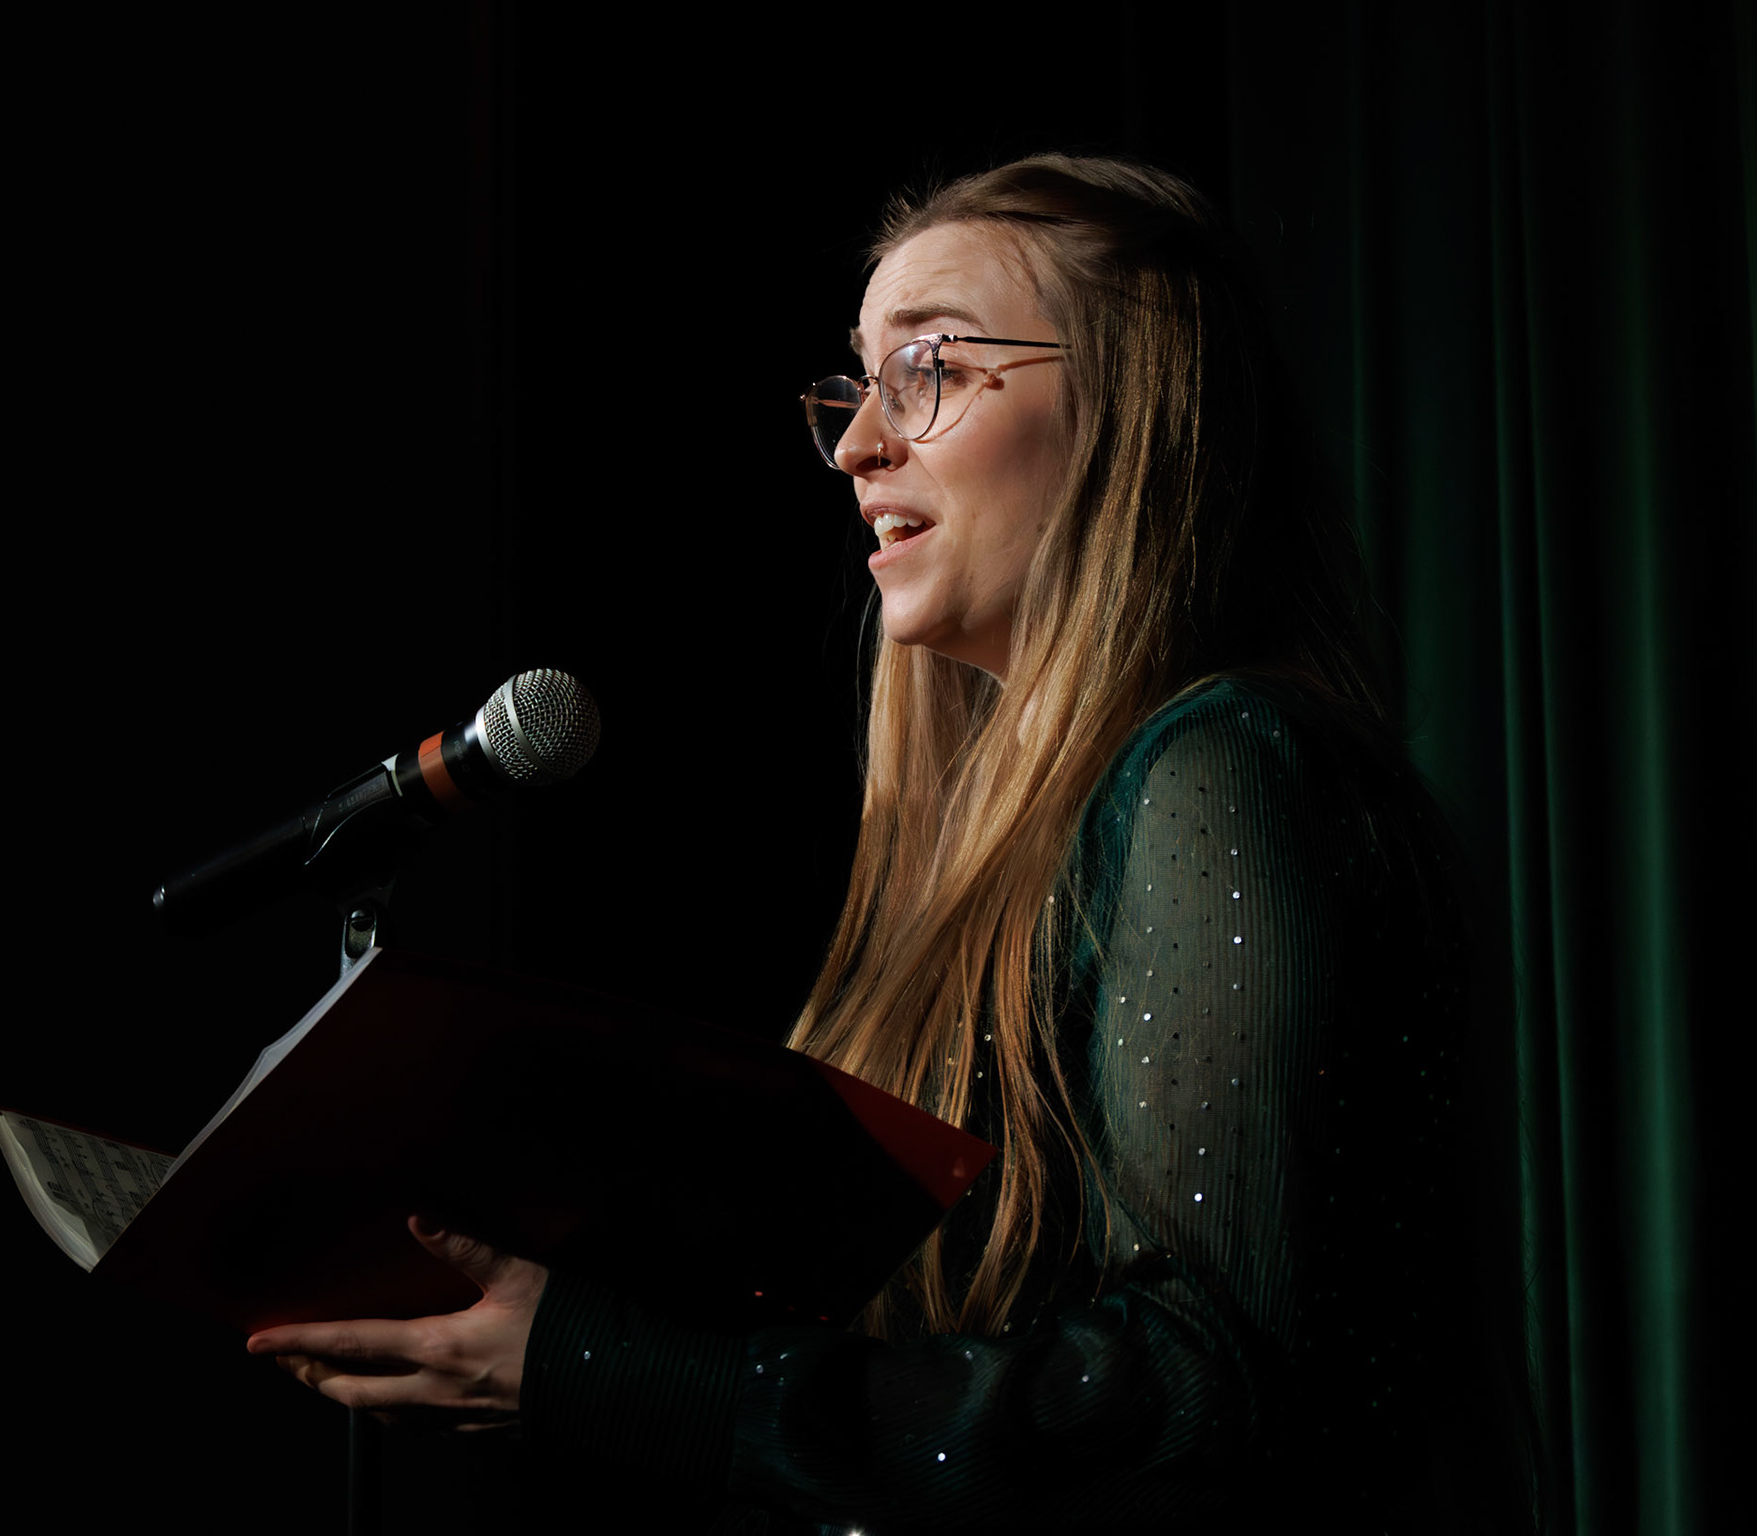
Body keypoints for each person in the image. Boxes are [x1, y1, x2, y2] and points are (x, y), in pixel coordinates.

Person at [248, 155, 1538, 1533]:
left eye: (928, 367)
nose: (860, 443)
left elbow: (1207, 1383)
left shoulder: (1225, 766)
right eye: (859, 385)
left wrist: (620, 1373)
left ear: (1137, 403)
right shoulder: (1016, 840)